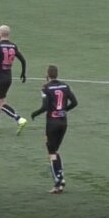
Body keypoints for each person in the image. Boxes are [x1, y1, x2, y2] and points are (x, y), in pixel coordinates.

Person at [30, 65, 78, 194]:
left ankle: (57, 182)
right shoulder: (65, 86)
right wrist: (63, 111)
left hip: (52, 124)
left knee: (51, 153)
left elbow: (45, 106)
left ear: (48, 75)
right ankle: (61, 180)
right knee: (55, 151)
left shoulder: (46, 88)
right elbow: (74, 102)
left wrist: (34, 113)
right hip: (63, 122)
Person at [0, 25, 28, 135]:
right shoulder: (13, 46)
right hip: (8, 78)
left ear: (0, 33)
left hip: (0, 79)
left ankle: (19, 119)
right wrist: (23, 73)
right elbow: (23, 60)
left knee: (0, 103)